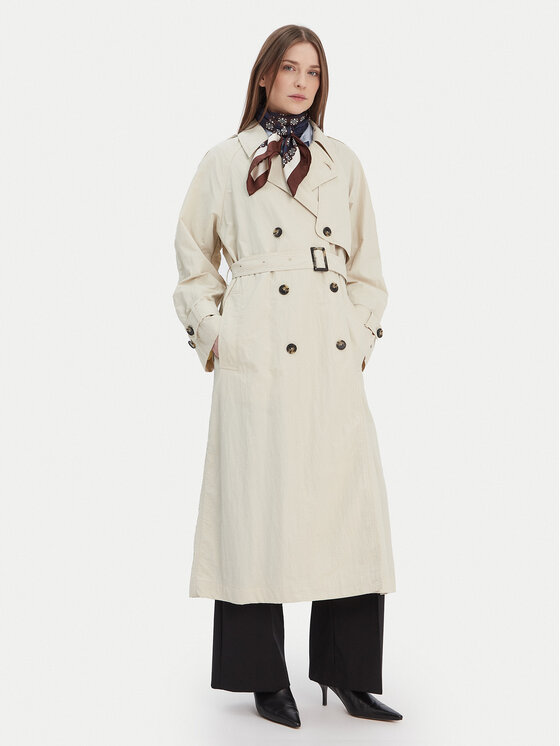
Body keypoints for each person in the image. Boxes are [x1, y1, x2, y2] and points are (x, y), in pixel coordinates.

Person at [172, 24, 403, 729]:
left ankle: (349, 674)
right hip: (260, 356)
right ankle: (261, 678)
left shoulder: (343, 161)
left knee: (347, 512)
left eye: (314, 72)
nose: (303, 82)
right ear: (265, 76)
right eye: (290, 69)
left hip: (328, 357)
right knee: (255, 512)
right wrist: (220, 335)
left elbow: (368, 268)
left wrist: (357, 339)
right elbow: (192, 258)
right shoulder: (225, 160)